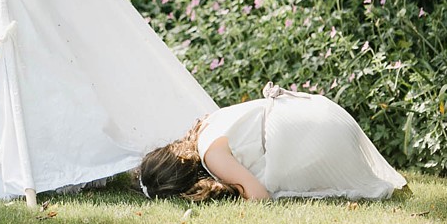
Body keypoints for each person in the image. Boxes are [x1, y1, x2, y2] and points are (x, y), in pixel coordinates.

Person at [137, 83, 407, 201]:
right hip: (321, 111)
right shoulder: (205, 125)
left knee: (271, 183)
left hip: (321, 136)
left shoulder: (212, 156)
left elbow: (259, 197)